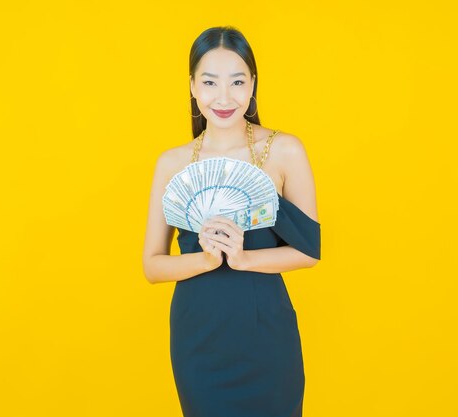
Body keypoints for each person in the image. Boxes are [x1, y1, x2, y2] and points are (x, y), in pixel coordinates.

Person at [142, 25, 321, 417]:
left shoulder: (284, 151)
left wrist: (243, 259)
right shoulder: (171, 163)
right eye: (209, 82)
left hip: (266, 332)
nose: (224, 97)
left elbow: (309, 252)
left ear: (253, 83)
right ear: (192, 86)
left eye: (237, 81)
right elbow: (152, 265)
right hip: (198, 335)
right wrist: (205, 261)